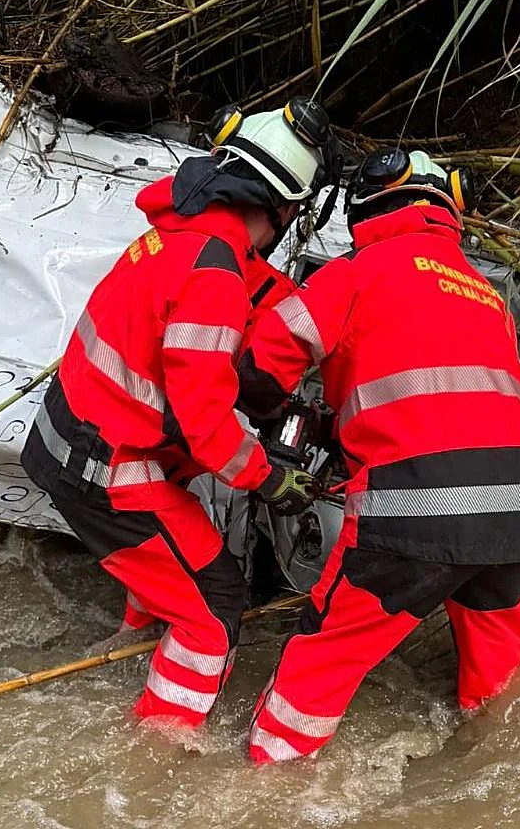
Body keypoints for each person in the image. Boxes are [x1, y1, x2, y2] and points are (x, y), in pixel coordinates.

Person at [20, 100, 337, 727]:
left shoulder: (178, 235)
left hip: (72, 443)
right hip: (107, 470)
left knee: (175, 545)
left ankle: (133, 642)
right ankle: (161, 749)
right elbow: (206, 425)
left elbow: (249, 295)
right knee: (215, 604)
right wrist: (270, 477)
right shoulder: (214, 277)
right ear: (281, 208)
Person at [236, 148, 520, 763]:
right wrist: (338, 429)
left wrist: (287, 421)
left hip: (416, 502)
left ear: (366, 207)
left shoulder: (356, 273)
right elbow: (452, 399)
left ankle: (265, 780)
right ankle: (515, 773)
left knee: (324, 654)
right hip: (519, 503)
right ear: (447, 210)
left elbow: (256, 372)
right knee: (503, 673)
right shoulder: (488, 296)